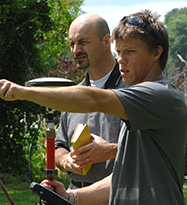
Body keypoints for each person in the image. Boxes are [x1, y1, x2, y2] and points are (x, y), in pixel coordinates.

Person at [0, 9, 187, 205]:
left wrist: (23, 92)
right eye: (119, 51)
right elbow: (122, 178)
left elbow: (95, 99)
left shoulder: (159, 95)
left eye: (130, 52)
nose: (121, 60)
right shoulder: (141, 106)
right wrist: (70, 197)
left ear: (156, 53)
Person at [55, 13, 126, 190]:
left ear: (106, 41)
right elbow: (59, 146)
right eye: (72, 43)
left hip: (118, 196)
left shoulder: (132, 89)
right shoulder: (74, 94)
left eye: (83, 42)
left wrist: (109, 151)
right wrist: (65, 160)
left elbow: (151, 148)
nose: (76, 50)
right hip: (73, 194)